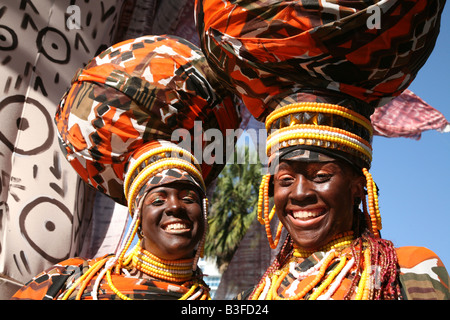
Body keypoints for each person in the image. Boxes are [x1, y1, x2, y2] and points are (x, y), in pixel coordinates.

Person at [195, 0, 450, 299]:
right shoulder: (256, 295)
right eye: (286, 179)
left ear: (359, 185)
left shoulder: (409, 272)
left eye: (320, 175)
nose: (299, 193)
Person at [11, 35, 240, 300]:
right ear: (138, 217)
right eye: (158, 198)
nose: (175, 206)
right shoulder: (70, 282)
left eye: (188, 197)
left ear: (204, 211)